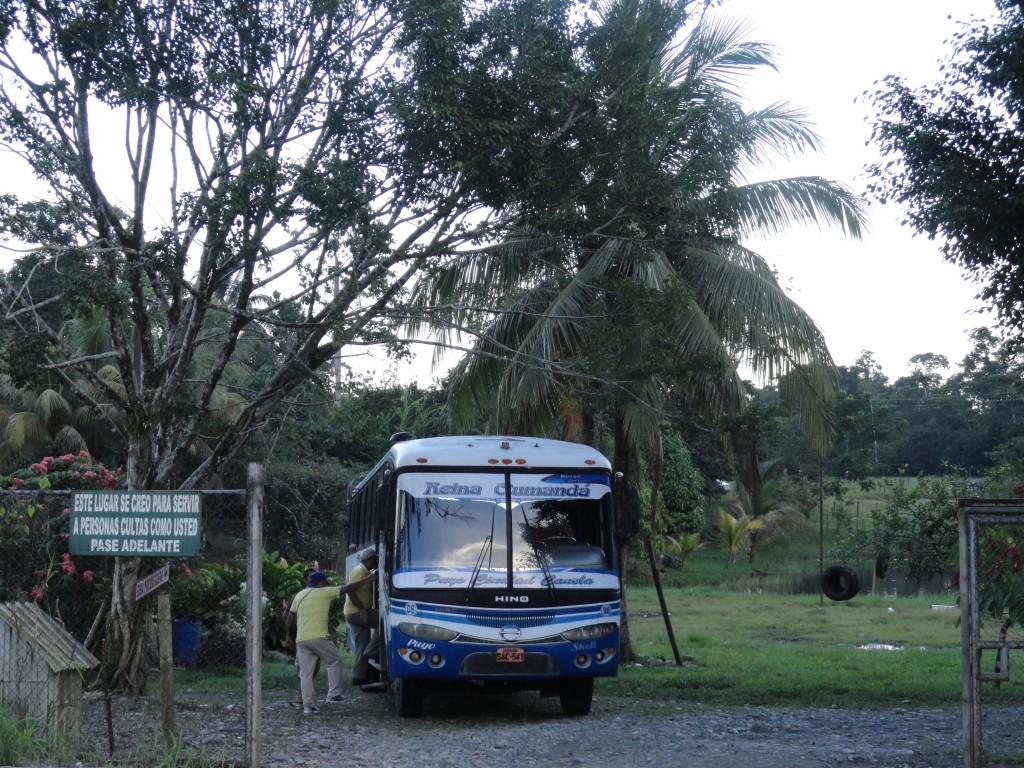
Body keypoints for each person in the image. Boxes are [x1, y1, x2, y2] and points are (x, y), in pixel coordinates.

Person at [287, 568, 375, 714]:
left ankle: (308, 706)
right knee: (334, 660)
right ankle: (333, 695)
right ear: (321, 582)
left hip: (301, 639)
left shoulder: (299, 595)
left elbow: (290, 616)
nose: (325, 584)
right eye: (324, 582)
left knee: (305, 673)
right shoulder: (325, 592)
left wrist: (289, 636)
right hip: (318, 637)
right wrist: (368, 579)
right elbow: (349, 588)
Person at [343, 547, 380, 687]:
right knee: (384, 621)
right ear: (370, 560)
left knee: (361, 645)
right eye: (374, 560)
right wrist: (362, 609)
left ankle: (358, 676)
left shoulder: (364, 571)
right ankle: (372, 651)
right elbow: (350, 590)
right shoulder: (360, 571)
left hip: (354, 612)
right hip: (355, 612)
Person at [283, 568, 320, 706]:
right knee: (303, 667)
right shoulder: (299, 596)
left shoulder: (321, 594)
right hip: (301, 635)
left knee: (314, 666)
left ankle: (304, 695)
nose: (313, 579)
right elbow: (287, 615)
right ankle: (302, 696)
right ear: (306, 580)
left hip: (316, 635)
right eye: (311, 577)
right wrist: (290, 635)